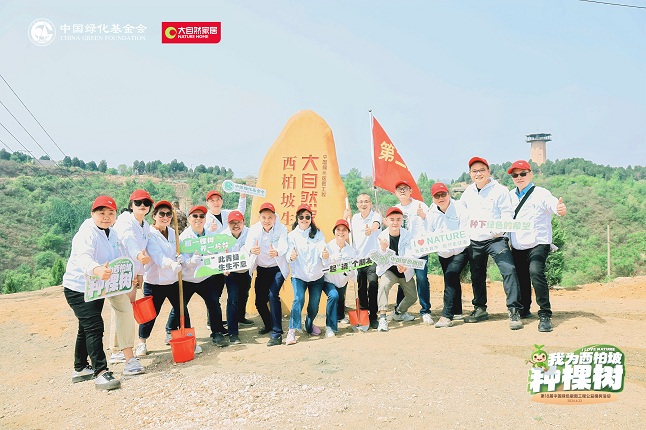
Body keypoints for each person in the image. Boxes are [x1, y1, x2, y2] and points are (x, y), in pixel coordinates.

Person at [62, 195, 122, 390]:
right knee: (95, 326)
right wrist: (97, 270)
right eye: (101, 212)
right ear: (92, 213)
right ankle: (101, 372)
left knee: (86, 327)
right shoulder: (86, 232)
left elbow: (119, 257)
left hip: (96, 288)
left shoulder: (112, 233)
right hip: (78, 288)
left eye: (110, 213)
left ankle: (80, 368)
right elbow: (84, 258)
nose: (106, 216)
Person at [460, 156, 523, 330]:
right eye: (474, 171)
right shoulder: (468, 192)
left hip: (496, 239)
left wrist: (498, 231)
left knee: (509, 270)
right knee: (477, 275)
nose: (478, 174)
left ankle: (514, 310)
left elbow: (507, 214)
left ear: (488, 171)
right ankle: (480, 308)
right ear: (470, 174)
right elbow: (461, 214)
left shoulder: (500, 190)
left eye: (482, 170)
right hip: (475, 240)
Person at [507, 160, 567, 332]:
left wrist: (558, 208)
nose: (519, 177)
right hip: (518, 243)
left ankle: (545, 314)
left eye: (523, 173)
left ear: (530, 174)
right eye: (515, 175)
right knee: (521, 277)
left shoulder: (541, 193)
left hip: (539, 242)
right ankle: (524, 308)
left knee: (535, 272)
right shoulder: (509, 196)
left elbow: (552, 203)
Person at [136, 201, 201, 357]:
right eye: (162, 214)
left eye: (168, 214)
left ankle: (190, 339)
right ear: (154, 216)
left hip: (173, 281)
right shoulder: (149, 234)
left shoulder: (173, 232)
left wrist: (186, 261)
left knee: (182, 310)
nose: (165, 217)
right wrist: (172, 264)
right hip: (155, 282)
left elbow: (180, 252)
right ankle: (142, 342)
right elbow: (157, 256)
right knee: (150, 314)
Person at [109, 189, 152, 373]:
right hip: (121, 271)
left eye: (146, 203)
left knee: (127, 308)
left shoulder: (145, 225)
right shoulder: (125, 221)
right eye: (138, 203)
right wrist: (138, 257)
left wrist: (140, 272)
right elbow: (129, 241)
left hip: (132, 272)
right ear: (131, 205)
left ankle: (120, 348)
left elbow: (142, 248)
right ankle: (116, 350)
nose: (142, 205)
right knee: (121, 309)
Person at [176, 205, 229, 347]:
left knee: (213, 303)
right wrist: (191, 261)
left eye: (201, 216)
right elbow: (182, 260)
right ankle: (171, 329)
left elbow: (218, 254)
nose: (198, 219)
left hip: (205, 277)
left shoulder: (211, 236)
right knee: (180, 306)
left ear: (205, 219)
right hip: (188, 279)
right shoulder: (183, 238)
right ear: (189, 219)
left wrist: (223, 263)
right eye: (195, 216)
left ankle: (217, 333)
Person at [286, 204, 338, 345]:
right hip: (299, 275)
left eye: (307, 217)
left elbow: (322, 248)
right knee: (298, 299)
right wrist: (291, 256)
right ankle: (292, 331)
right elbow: (288, 253)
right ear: (297, 218)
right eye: (301, 217)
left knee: (314, 306)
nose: (304, 219)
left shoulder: (318, 234)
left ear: (311, 218)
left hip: (316, 276)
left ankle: (308, 325)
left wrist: (325, 255)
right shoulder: (292, 236)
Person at [424, 183, 470, 328]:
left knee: (450, 276)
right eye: (437, 196)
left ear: (448, 194)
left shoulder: (460, 209)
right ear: (433, 198)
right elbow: (428, 234)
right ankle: (457, 311)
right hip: (443, 253)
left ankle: (447, 315)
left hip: (460, 251)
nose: (441, 198)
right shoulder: (431, 213)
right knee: (452, 279)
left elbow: (465, 232)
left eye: (443, 194)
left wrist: (452, 245)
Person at [245, 202, 290, 347]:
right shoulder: (254, 229)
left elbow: (284, 244)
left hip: (277, 269)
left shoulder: (281, 228)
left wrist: (277, 251)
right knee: (259, 301)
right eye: (264, 217)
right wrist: (252, 250)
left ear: (275, 218)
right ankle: (269, 324)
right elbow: (247, 245)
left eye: (270, 217)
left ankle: (277, 333)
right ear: (260, 218)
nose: (267, 220)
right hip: (262, 269)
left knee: (272, 295)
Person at [393, 180, 433, 324]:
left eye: (405, 188)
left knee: (422, 279)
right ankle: (399, 311)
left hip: (420, 250)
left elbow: (432, 224)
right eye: (399, 189)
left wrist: (423, 216)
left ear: (411, 191)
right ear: (395, 193)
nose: (402, 191)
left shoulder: (420, 205)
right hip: (404, 252)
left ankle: (425, 310)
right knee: (403, 280)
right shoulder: (395, 209)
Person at [375, 207, 418, 332]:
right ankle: (383, 318)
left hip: (404, 270)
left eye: (398, 219)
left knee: (412, 297)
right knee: (383, 286)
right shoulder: (381, 236)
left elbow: (411, 253)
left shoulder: (407, 234)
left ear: (402, 220)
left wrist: (405, 265)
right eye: (392, 219)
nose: (395, 222)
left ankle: (399, 312)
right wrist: (383, 249)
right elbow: (380, 260)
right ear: (386, 220)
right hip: (389, 270)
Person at [349, 193, 382, 329]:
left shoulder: (376, 216)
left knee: (373, 284)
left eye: (366, 201)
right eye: (361, 202)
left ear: (370, 203)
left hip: (372, 258)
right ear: (357, 204)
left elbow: (376, 225)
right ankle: (363, 313)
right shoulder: (354, 219)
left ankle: (373, 315)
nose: (363, 204)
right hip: (358, 259)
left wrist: (371, 230)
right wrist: (346, 216)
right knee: (361, 287)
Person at [221, 210, 251, 344]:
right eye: (232, 223)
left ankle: (241, 318)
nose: (236, 225)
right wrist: (224, 267)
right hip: (231, 272)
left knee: (244, 294)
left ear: (243, 222)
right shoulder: (223, 236)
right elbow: (219, 255)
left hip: (246, 270)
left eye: (238, 222)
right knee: (233, 299)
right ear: (228, 224)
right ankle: (233, 332)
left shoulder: (250, 233)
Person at [324, 219, 358, 335]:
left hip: (343, 280)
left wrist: (351, 272)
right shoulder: (328, 247)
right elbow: (322, 265)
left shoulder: (351, 251)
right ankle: (330, 327)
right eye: (338, 229)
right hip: (329, 280)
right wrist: (331, 259)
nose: (341, 232)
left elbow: (354, 274)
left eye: (344, 230)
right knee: (334, 296)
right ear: (334, 231)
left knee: (341, 298)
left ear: (348, 233)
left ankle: (340, 316)